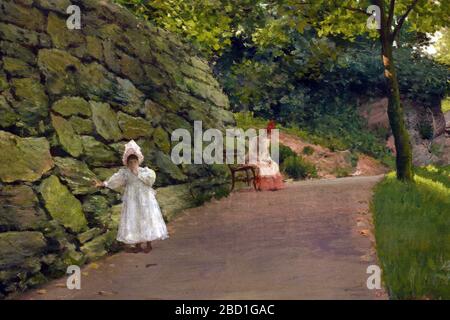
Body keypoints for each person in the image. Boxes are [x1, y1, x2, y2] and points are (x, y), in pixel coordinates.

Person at [92, 140, 169, 253]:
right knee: (134, 218)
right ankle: (137, 243)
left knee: (146, 218)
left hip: (145, 199)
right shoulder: (125, 173)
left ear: (138, 161)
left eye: (135, 161)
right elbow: (115, 180)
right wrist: (102, 184)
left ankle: (148, 242)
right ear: (127, 163)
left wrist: (137, 172)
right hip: (132, 200)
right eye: (130, 162)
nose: (133, 163)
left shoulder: (145, 171)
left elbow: (150, 180)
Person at [249, 120, 284, 191]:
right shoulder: (255, 140)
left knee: (274, 165)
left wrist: (269, 160)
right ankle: (262, 186)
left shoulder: (266, 141)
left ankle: (272, 185)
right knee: (263, 167)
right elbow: (251, 153)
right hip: (255, 158)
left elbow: (266, 153)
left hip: (264, 158)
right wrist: (258, 159)